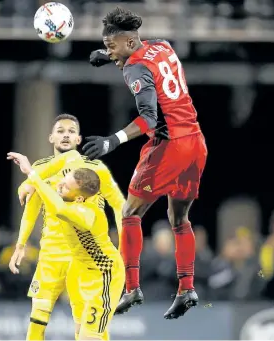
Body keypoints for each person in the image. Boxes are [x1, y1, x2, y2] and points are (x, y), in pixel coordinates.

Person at [84, 7, 208, 319]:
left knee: (130, 213)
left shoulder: (133, 69)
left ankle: (132, 288)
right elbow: (143, 57)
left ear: (127, 42)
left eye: (112, 47)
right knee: (178, 218)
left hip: (170, 146)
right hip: (196, 142)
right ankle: (187, 287)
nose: (112, 53)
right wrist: (106, 54)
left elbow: (149, 117)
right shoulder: (163, 45)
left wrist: (112, 140)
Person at [9, 113, 125, 340]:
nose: (65, 135)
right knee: (36, 320)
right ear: (50, 137)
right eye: (60, 131)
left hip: (83, 259)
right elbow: (31, 208)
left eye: (71, 131)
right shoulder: (44, 167)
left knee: (86, 326)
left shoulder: (93, 170)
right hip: (50, 254)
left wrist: (125, 243)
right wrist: (21, 244)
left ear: (79, 139)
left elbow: (120, 206)